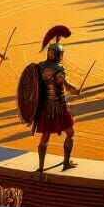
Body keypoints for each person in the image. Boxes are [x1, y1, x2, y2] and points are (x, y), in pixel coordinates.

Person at [29, 42, 80, 173]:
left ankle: (40, 167)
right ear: (58, 55)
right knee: (70, 133)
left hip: (45, 108)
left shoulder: (39, 67)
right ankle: (66, 162)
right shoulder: (59, 69)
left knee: (45, 137)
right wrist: (76, 90)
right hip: (59, 107)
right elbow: (66, 86)